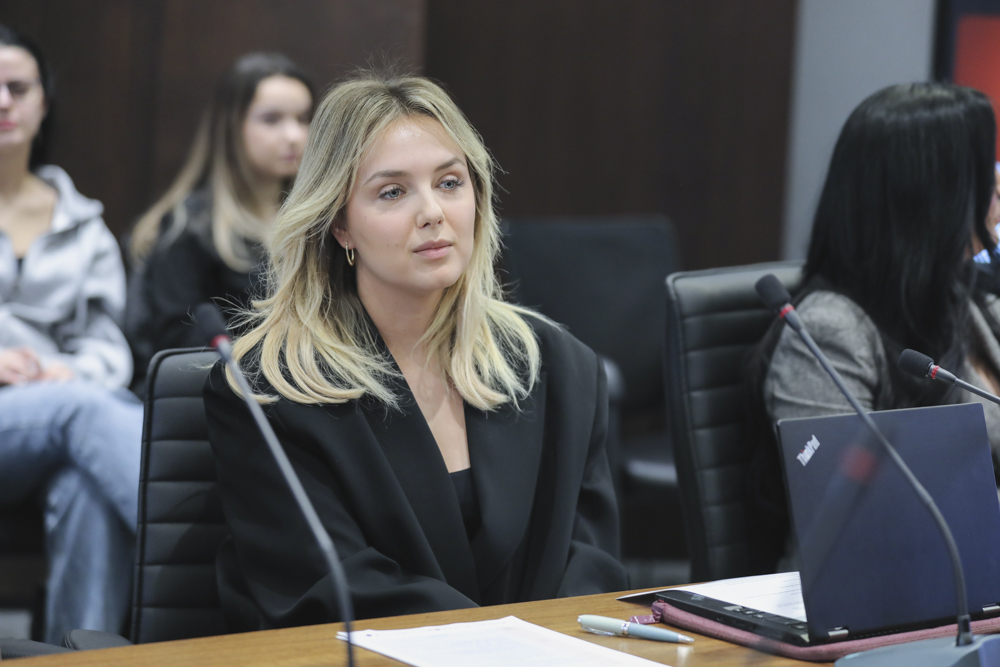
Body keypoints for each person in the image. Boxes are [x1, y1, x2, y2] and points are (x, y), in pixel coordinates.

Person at [203, 71, 628, 630]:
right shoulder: (270, 390)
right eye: (392, 192)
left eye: (450, 182)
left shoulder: (560, 367)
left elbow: (592, 568)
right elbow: (331, 587)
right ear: (340, 225)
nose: (433, 212)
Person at [748, 82, 1000, 566]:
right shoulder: (829, 333)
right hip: (893, 593)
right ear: (934, 198)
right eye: (983, 173)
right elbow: (855, 524)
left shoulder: (968, 297)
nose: (997, 191)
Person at [0, 23, 143, 642]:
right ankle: (216, 552)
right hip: (56, 413)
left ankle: (78, 656)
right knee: (84, 410)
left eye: (17, 87)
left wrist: (70, 372)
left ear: (43, 102)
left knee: (89, 488)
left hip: (58, 415)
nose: (3, 101)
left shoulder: (84, 225)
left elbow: (106, 347)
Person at [127, 53, 313, 388]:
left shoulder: (322, 220)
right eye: (271, 119)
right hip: (225, 398)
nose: (294, 135)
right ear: (230, 127)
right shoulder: (189, 227)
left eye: (303, 119)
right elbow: (180, 349)